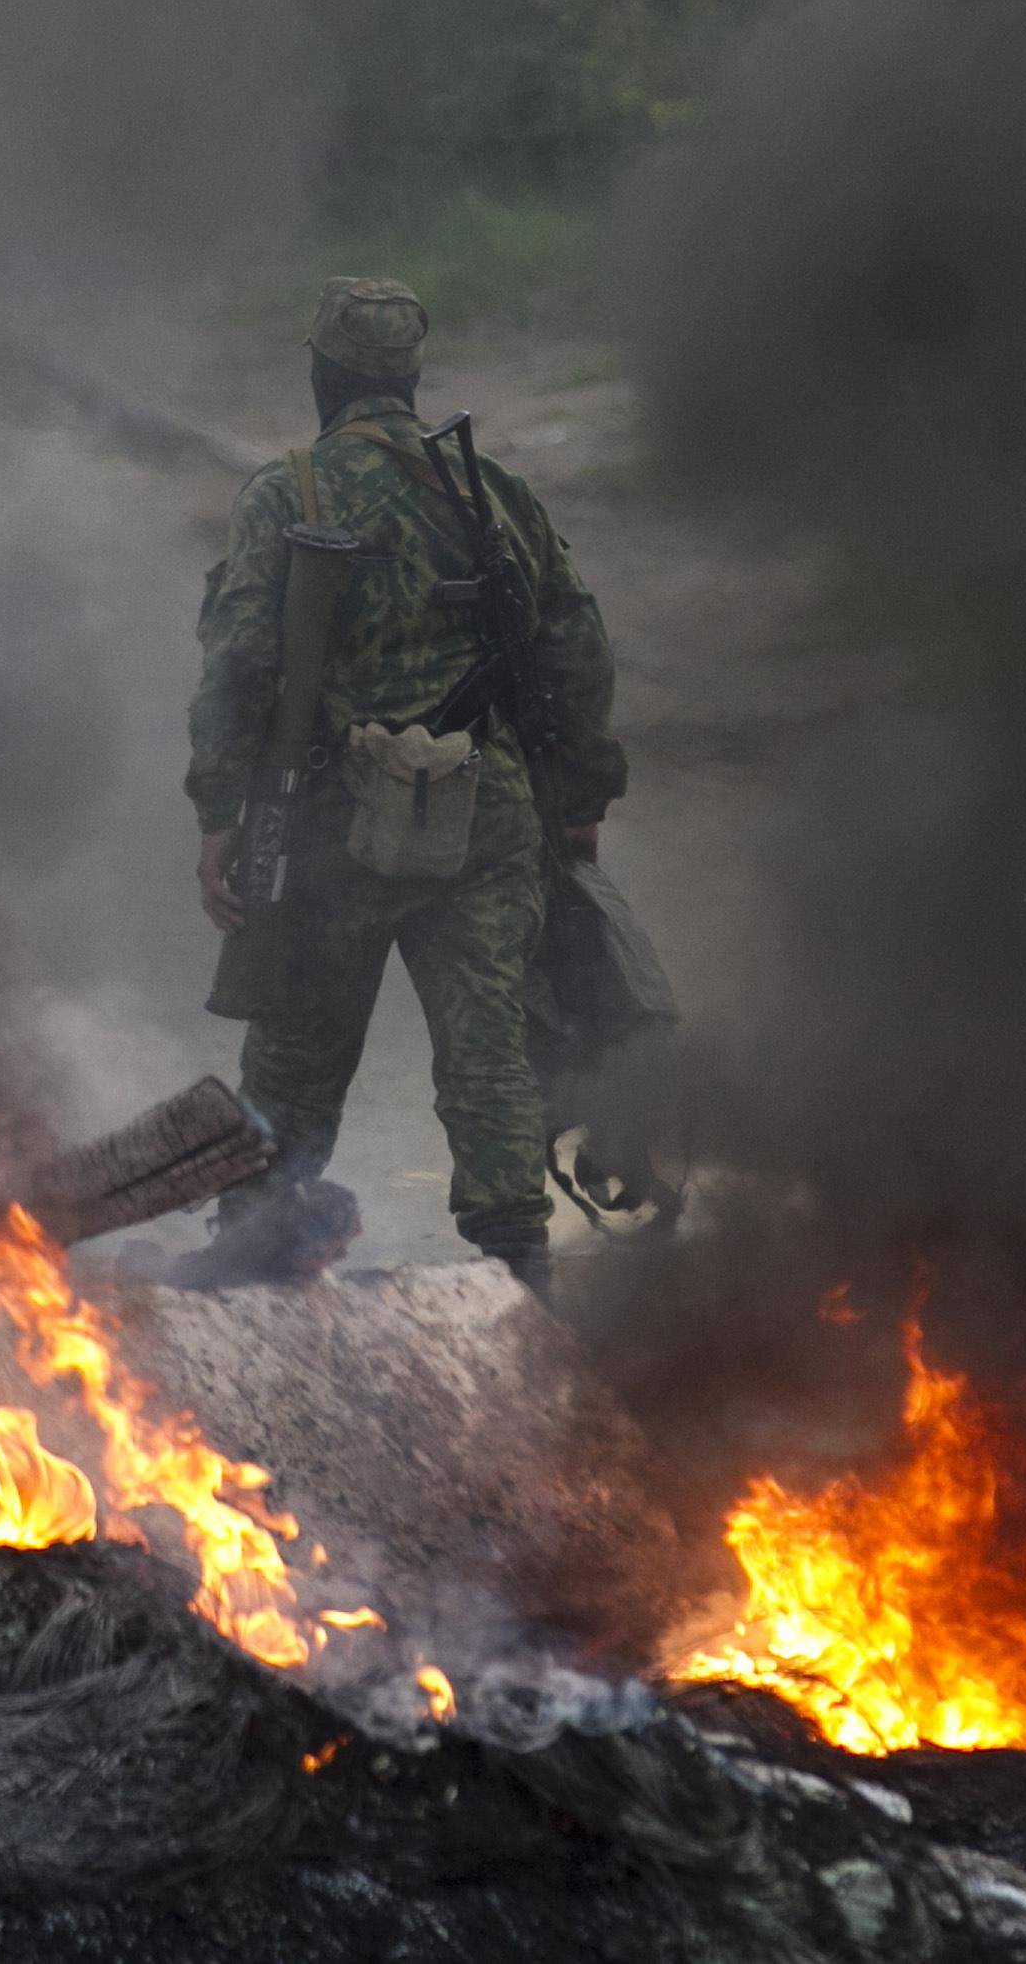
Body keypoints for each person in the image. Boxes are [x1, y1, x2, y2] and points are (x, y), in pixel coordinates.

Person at [180, 277, 625, 1291]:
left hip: (334, 817)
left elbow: (239, 663)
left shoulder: (284, 492)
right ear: (410, 379)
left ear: (320, 373)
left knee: (293, 1046)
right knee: (489, 1049)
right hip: (484, 810)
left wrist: (218, 814)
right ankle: (518, 1270)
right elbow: (575, 646)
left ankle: (250, 1248)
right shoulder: (489, 494)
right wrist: (583, 797)